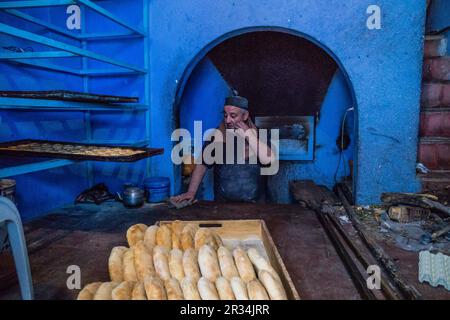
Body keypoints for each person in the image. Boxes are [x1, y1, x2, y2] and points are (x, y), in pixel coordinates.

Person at [171, 95, 275, 203]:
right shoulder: (218, 135)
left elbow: (268, 160)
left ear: (245, 116)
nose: (228, 120)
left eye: (233, 116)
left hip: (256, 205)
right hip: (223, 205)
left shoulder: (259, 135)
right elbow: (202, 164)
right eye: (225, 116)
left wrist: (249, 135)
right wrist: (191, 192)